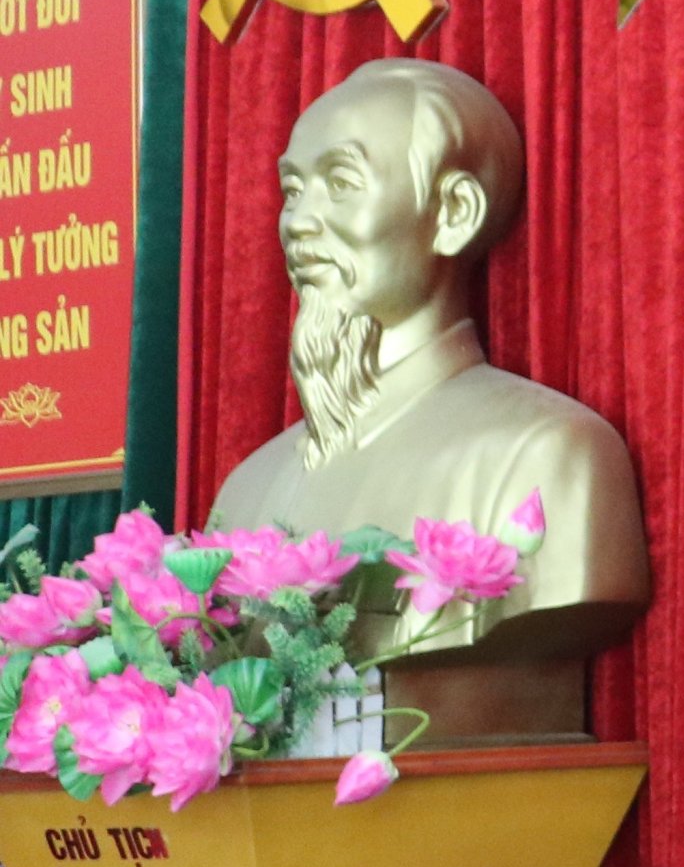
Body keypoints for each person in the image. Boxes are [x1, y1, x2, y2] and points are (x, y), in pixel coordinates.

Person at [211, 59, 648, 691]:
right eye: (293, 190)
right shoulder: (247, 489)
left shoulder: (550, 456)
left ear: (453, 212)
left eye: (341, 182)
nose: (297, 222)